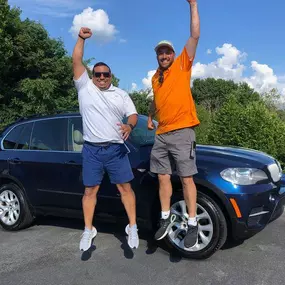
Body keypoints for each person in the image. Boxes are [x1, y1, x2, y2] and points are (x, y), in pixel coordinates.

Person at [72, 27, 139, 251]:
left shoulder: (121, 94)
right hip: (91, 149)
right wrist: (81, 38)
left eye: (105, 74)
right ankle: (88, 230)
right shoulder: (84, 87)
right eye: (97, 74)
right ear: (92, 76)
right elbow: (76, 59)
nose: (101, 77)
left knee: (125, 189)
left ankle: (132, 227)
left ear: (111, 76)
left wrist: (129, 125)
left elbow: (133, 114)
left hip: (115, 150)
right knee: (90, 191)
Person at [148, 0, 200, 248]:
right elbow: (156, 101)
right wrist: (149, 117)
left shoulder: (182, 65)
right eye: (161, 52)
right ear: (157, 55)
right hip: (161, 135)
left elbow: (194, 34)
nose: (165, 55)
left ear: (172, 54)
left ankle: (192, 223)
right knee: (162, 177)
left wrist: (192, 4)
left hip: (181, 132)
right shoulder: (154, 78)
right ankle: (166, 218)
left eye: (168, 51)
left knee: (187, 179)